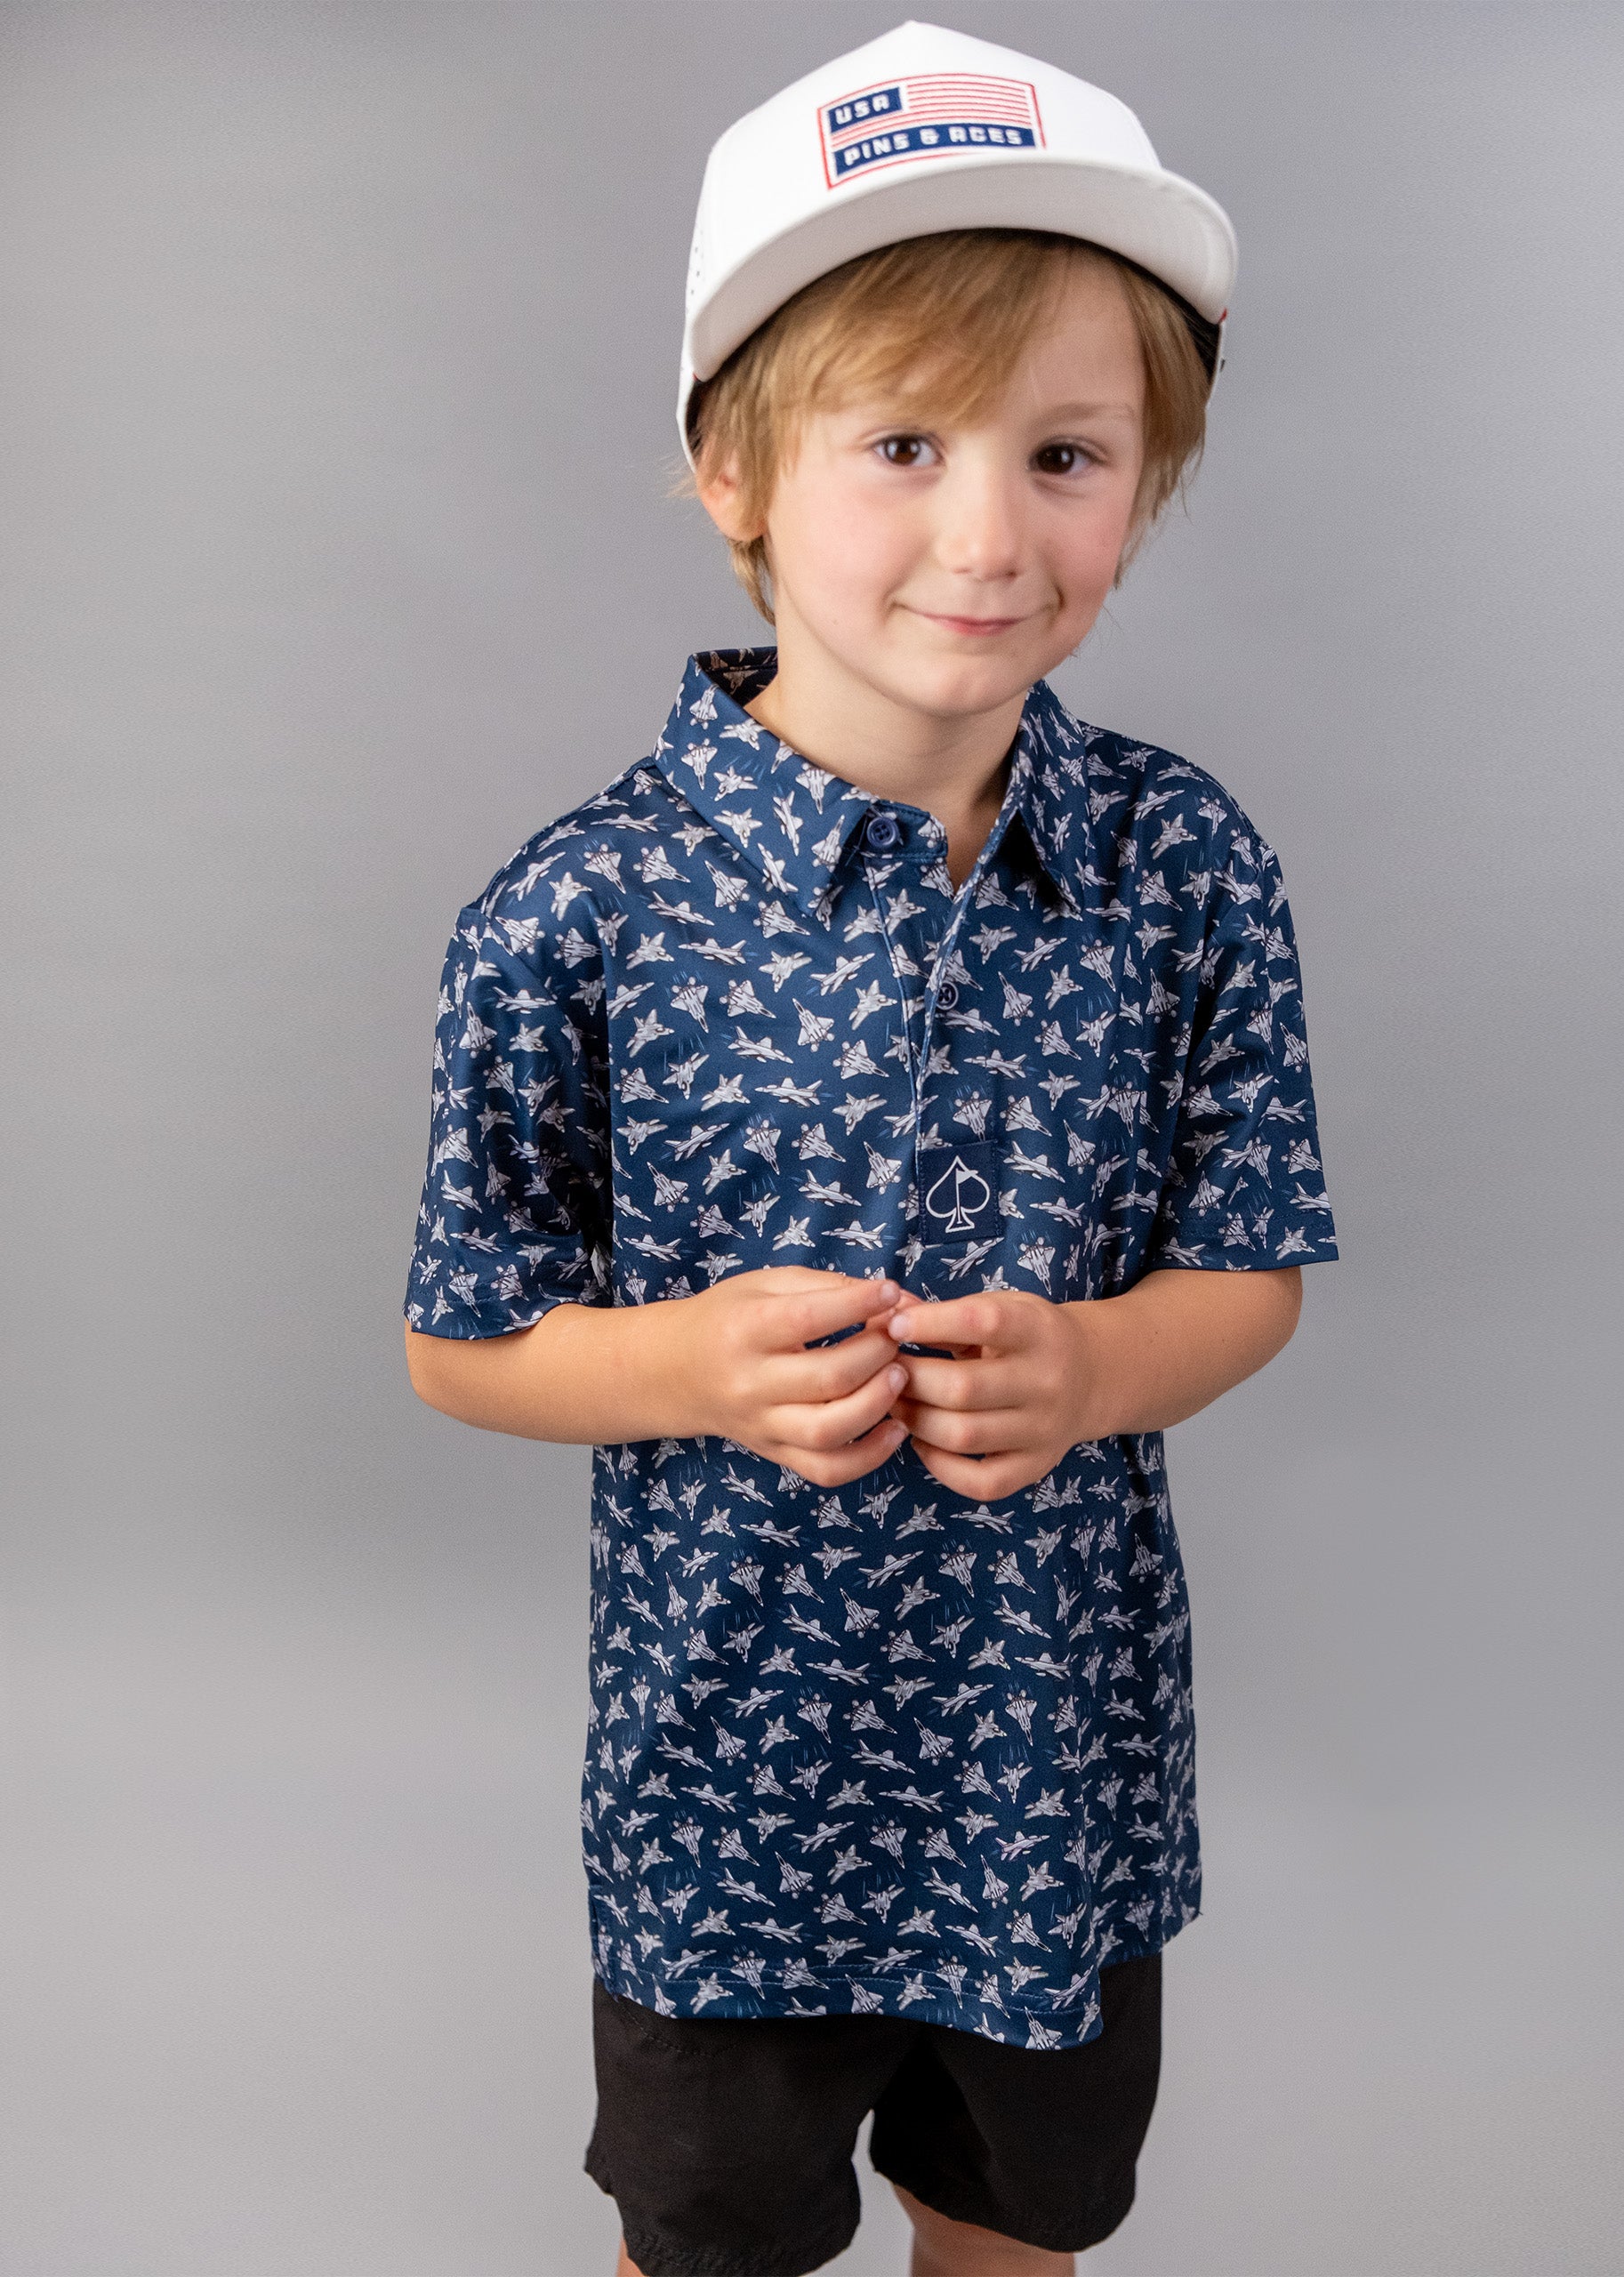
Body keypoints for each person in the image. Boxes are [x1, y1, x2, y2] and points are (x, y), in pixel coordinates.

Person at [402, 20, 1338, 2276]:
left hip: (1045, 1774)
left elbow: (1255, 1262)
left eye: (1067, 452)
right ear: (734, 468)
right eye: (898, 442)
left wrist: (1105, 1369)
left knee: (1013, 2217)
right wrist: (689, 1368)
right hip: (729, 1778)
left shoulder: (1182, 868)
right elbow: (465, 1336)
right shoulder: (577, 909)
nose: (987, 531)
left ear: (1147, 482)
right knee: (708, 2235)